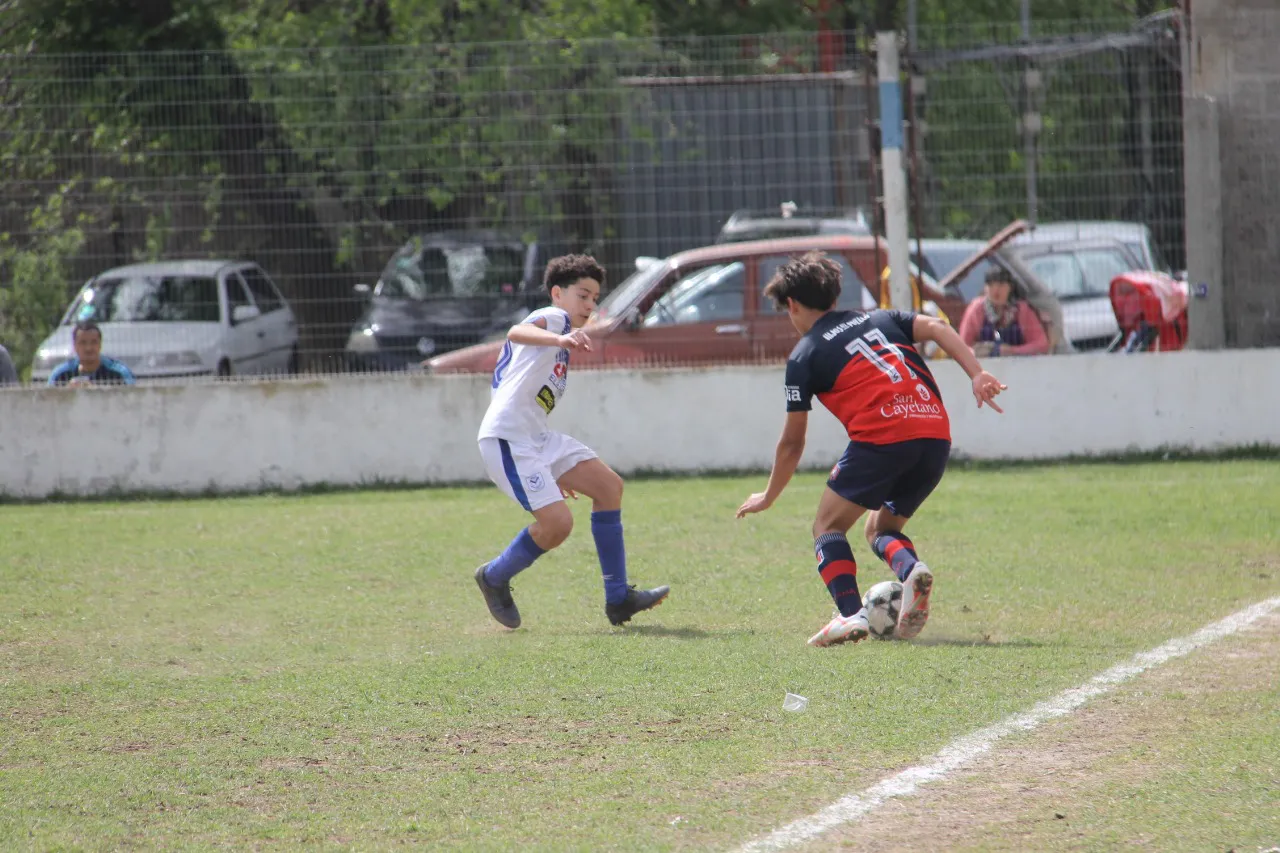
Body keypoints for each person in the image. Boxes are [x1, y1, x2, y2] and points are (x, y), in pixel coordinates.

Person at [736, 252, 1007, 648]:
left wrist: (769, 495)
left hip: (882, 438)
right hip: (934, 435)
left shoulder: (803, 355)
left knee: (827, 527)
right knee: (880, 527)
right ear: (833, 295)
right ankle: (911, 569)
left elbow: (792, 442)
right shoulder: (879, 317)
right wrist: (976, 372)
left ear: (792, 305)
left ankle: (850, 615)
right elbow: (935, 326)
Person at [473, 254, 669, 629]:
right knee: (558, 525)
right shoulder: (555, 318)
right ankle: (494, 576)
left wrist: (553, 469)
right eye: (583, 295)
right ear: (558, 293)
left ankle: (619, 599)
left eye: (595, 298)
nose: (590, 305)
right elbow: (516, 330)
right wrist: (560, 334)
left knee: (608, 487)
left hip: (536, 438)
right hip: (508, 439)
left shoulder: (557, 342)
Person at [957, 266, 1050, 357]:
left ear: (1010, 287)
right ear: (985, 288)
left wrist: (1012, 351)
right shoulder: (976, 310)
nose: (996, 290)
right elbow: (961, 347)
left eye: (1001, 285)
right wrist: (979, 352)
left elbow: (1041, 345)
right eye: (991, 285)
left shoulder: (1022, 310)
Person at [47, 321, 136, 387]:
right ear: (74, 346)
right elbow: (48, 402)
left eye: (93, 342)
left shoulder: (119, 373)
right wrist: (67, 393)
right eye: (83, 343)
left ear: (100, 344)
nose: (88, 348)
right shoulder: (61, 375)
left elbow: (133, 400)